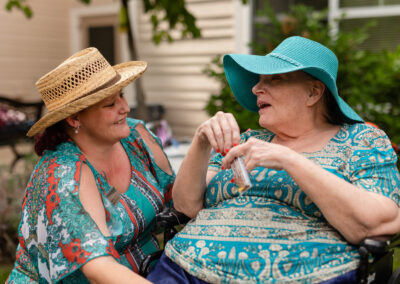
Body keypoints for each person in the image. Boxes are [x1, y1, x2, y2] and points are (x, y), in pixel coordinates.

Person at [147, 36, 400, 283]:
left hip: (300, 275)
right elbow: (186, 206)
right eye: (259, 80)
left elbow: (377, 223)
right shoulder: (248, 140)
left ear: (313, 92)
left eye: (275, 78)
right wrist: (201, 142)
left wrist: (290, 159)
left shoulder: (362, 140)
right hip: (184, 269)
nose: (256, 88)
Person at [7, 48, 174, 283]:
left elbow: (179, 200)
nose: (125, 108)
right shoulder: (62, 174)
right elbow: (99, 268)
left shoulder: (134, 137)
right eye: (110, 104)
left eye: (122, 95)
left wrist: (201, 142)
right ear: (74, 119)